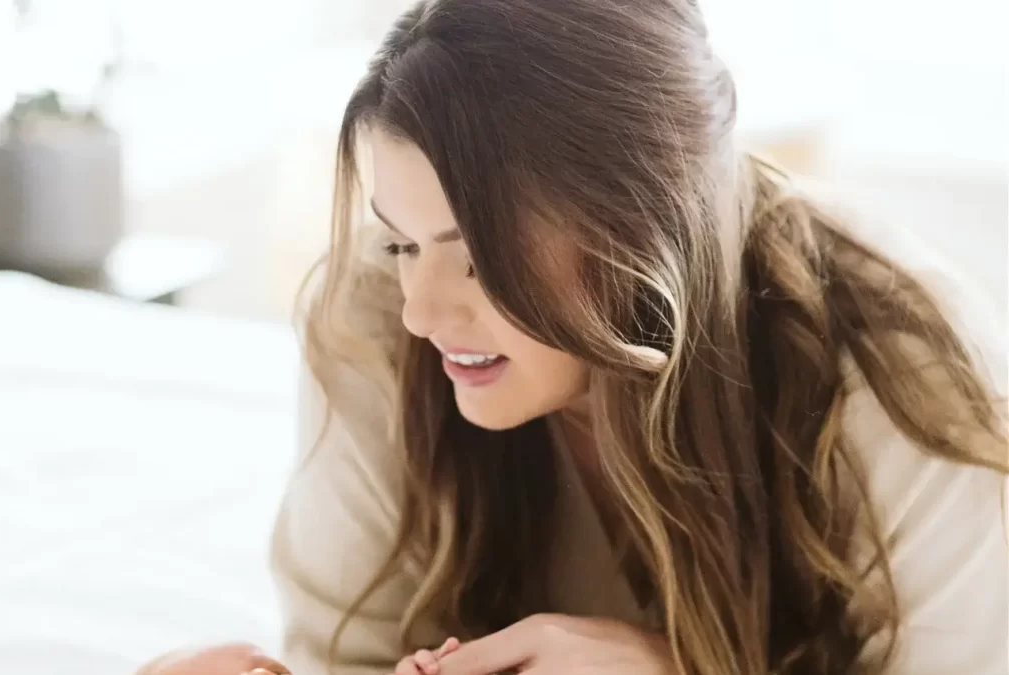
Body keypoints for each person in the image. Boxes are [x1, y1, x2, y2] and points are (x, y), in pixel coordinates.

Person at [139, 0, 1009, 674]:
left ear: (640, 224)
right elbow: (348, 649)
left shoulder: (907, 377)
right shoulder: (367, 313)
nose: (422, 312)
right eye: (402, 242)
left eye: (479, 257)